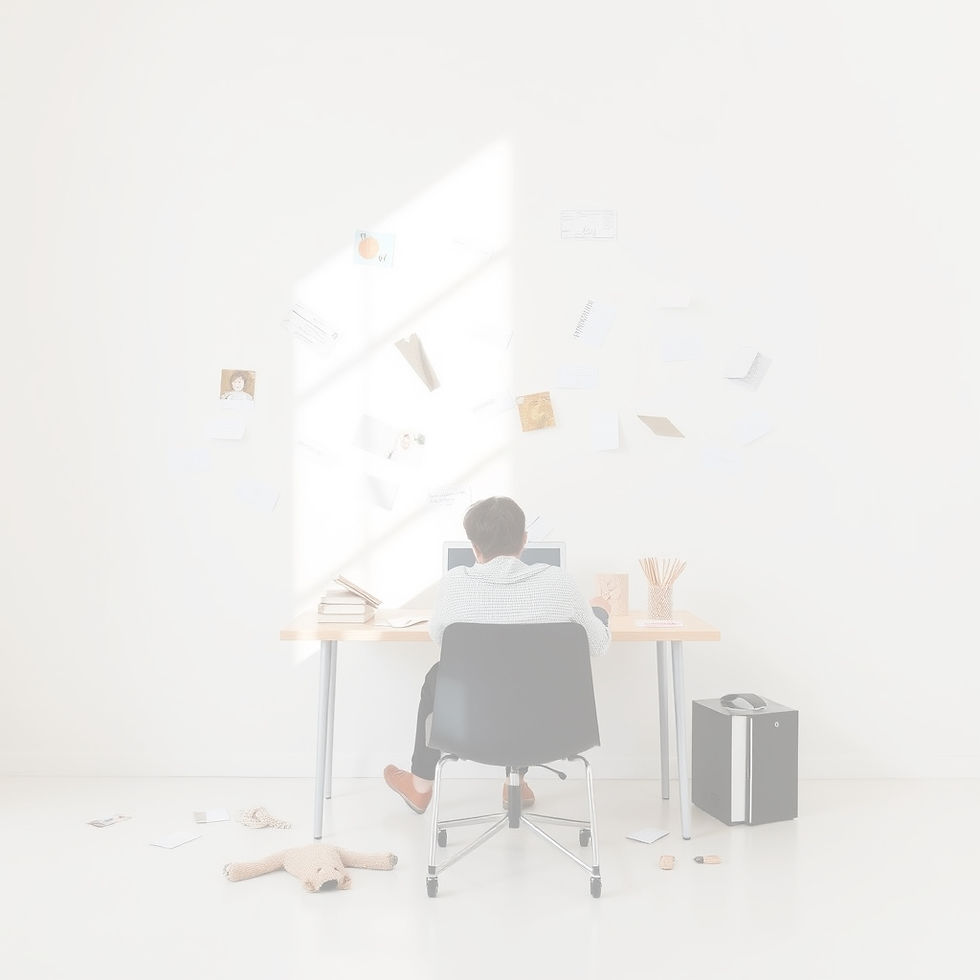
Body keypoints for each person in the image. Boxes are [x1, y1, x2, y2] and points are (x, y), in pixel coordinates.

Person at [384, 496, 611, 814]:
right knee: (530, 674)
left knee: (441, 674)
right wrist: (601, 614)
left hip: (474, 722)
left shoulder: (454, 584)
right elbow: (598, 645)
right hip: (551, 726)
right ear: (524, 540)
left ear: (474, 547)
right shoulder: (560, 583)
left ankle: (421, 785)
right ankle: (516, 778)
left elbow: (440, 637)